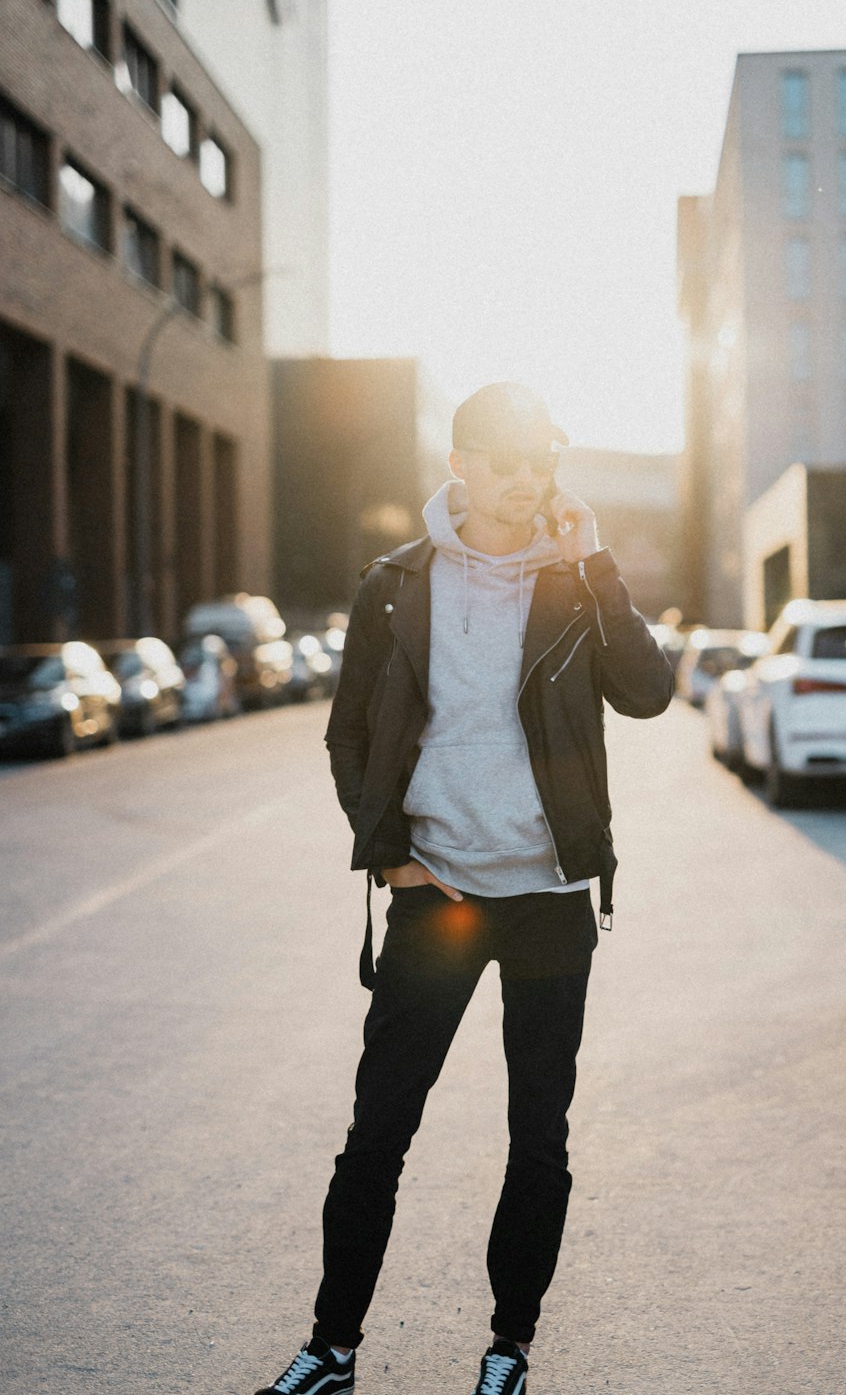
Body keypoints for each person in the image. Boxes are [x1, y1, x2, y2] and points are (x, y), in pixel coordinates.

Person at [255, 383, 674, 1395]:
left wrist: (599, 566)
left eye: (544, 462)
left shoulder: (574, 581)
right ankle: (331, 1348)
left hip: (547, 901)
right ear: (463, 466)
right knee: (379, 1131)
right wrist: (388, 851)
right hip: (433, 898)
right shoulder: (397, 583)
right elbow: (348, 731)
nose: (531, 480)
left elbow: (648, 694)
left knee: (539, 1136)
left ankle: (507, 1351)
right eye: (511, 460)